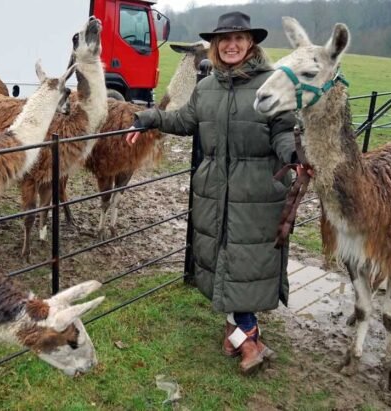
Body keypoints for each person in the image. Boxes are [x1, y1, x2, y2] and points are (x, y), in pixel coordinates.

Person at [126, 11, 297, 375]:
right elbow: (184, 120)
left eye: (239, 39)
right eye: (224, 40)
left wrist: (293, 156)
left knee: (242, 262)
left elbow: (283, 131)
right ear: (216, 46)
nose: (231, 45)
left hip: (256, 191)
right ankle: (239, 336)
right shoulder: (207, 88)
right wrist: (148, 118)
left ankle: (247, 339)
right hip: (214, 190)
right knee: (223, 260)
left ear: (251, 43)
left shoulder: (272, 83)